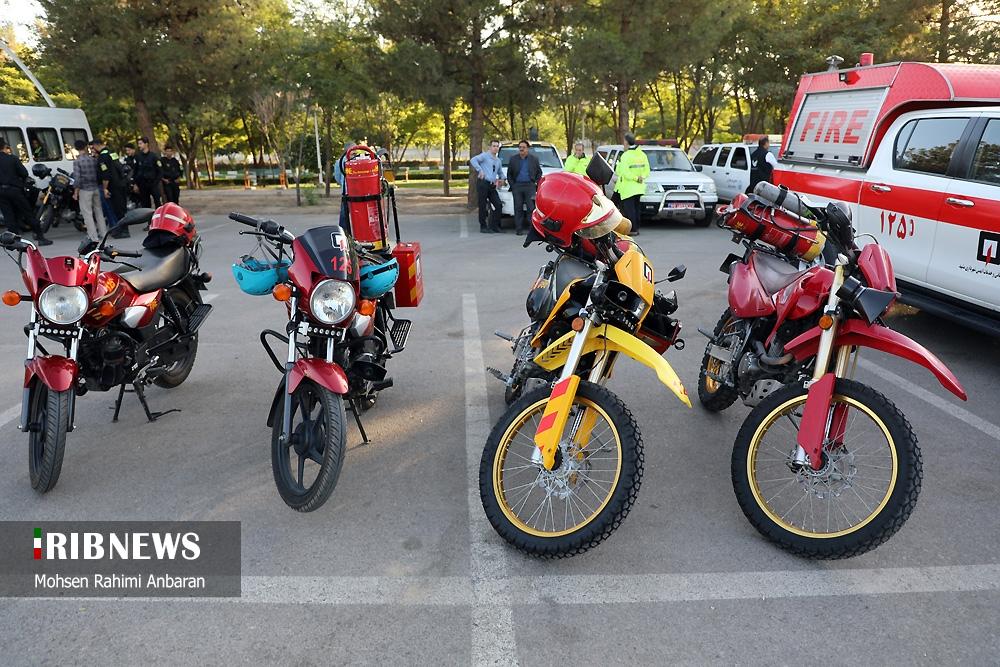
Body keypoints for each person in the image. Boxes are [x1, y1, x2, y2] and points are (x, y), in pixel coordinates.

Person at [0, 139, 51, 245]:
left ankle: (13, 241)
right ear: (4, 147)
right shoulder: (12, 159)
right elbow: (24, 173)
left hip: (1, 192)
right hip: (15, 190)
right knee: (28, 213)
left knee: (9, 216)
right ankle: (40, 238)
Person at [72, 139, 107, 242]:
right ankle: (104, 233)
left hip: (85, 190)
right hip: (95, 188)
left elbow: (77, 179)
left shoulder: (77, 161)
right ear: (85, 147)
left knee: (87, 214)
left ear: (76, 148)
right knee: (99, 211)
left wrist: (76, 192)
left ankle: (93, 237)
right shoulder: (93, 160)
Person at [613, 133, 649, 236]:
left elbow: (624, 172)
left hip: (627, 188)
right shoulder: (642, 154)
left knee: (629, 210)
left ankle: (632, 229)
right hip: (639, 187)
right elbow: (647, 170)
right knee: (636, 208)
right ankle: (636, 228)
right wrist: (641, 177)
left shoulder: (626, 155)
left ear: (626, 142)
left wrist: (635, 178)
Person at [94, 138, 130, 238]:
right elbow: (119, 167)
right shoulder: (112, 153)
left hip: (113, 186)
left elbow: (105, 175)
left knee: (117, 209)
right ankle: (123, 230)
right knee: (122, 208)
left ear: (97, 145)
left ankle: (123, 231)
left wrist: (105, 188)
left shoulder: (103, 157)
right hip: (121, 184)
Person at [505, 140, 542, 235]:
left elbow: (539, 172)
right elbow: (509, 174)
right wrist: (513, 185)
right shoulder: (513, 159)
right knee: (518, 208)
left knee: (531, 208)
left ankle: (531, 230)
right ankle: (519, 229)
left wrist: (536, 183)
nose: (521, 149)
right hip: (517, 186)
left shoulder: (534, 159)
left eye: (523, 147)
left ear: (527, 149)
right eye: (520, 147)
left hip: (530, 186)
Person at [469, 139, 504, 233]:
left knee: (498, 205)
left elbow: (500, 172)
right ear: (490, 147)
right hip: (483, 183)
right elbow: (473, 160)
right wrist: (480, 170)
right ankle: (483, 226)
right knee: (483, 205)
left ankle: (494, 226)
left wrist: (502, 179)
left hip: (492, 185)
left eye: (497, 146)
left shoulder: (498, 161)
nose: (495, 148)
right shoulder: (485, 156)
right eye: (494, 146)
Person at [333, 141, 357, 234]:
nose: (355, 153)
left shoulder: (340, 162)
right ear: (347, 150)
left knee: (346, 214)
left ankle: (345, 232)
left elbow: (337, 178)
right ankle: (345, 232)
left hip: (350, 191)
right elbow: (338, 177)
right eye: (353, 150)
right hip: (349, 191)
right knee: (345, 213)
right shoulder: (341, 162)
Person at [134, 136, 162, 209]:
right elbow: (135, 171)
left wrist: (155, 182)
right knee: (145, 204)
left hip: (152, 184)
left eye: (141, 143)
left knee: (157, 202)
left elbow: (160, 171)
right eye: (138, 144)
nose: (139, 146)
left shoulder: (153, 156)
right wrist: (135, 183)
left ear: (146, 144)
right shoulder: (138, 157)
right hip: (142, 185)